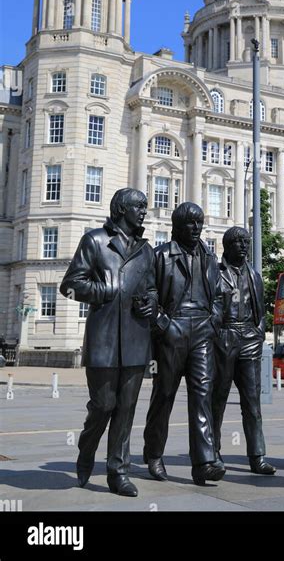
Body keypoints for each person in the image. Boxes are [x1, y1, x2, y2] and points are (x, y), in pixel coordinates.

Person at [60, 188, 157, 497]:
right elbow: (70, 285)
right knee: (103, 405)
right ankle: (86, 451)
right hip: (103, 340)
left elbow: (152, 289)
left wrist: (150, 305)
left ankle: (118, 472)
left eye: (144, 206)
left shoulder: (146, 250)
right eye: (137, 206)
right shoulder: (95, 240)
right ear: (120, 209)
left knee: (126, 409)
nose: (143, 211)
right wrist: (104, 291)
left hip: (136, 339)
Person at [143, 202, 225, 486]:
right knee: (164, 395)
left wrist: (213, 320)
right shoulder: (161, 255)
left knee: (202, 395)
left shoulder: (210, 256)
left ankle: (203, 462)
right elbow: (148, 294)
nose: (196, 228)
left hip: (203, 329)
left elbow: (218, 296)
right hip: (173, 329)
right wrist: (163, 325)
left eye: (199, 222)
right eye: (190, 223)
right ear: (176, 226)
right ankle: (153, 453)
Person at [212, 227, 276, 475]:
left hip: (250, 338)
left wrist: (259, 332)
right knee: (217, 400)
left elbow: (261, 309)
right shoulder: (216, 273)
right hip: (225, 337)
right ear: (226, 245)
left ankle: (257, 456)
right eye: (237, 242)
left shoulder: (254, 275)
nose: (243, 245)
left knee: (252, 402)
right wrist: (219, 334)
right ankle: (213, 453)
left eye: (246, 241)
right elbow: (212, 307)